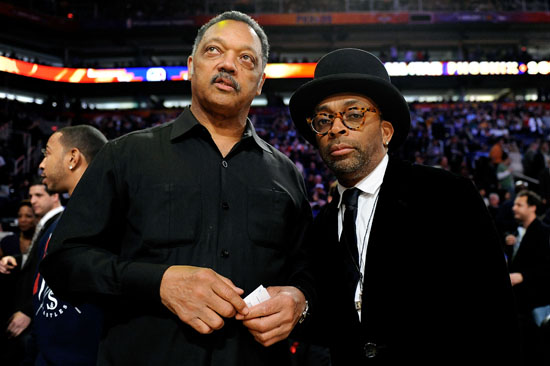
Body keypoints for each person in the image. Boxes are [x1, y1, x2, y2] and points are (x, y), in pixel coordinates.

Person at [40, 11, 313, 366]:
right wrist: (158, 283)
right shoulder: (124, 155)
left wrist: (300, 299)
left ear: (260, 81)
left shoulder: (287, 174)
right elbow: (63, 262)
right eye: (214, 51)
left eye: (246, 58)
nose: (229, 64)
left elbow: (308, 271)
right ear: (191, 65)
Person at [288, 48, 520, 365]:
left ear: (385, 132)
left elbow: (496, 314)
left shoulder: (446, 195)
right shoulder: (322, 227)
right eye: (323, 119)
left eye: (354, 115)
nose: (336, 128)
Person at [31, 125, 107, 366]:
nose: (41, 164)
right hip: (47, 354)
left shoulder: (108, 217)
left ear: (73, 158)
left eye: (48, 153)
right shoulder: (63, 221)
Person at [0, 181, 62, 365]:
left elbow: (51, 272)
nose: (33, 200)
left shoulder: (58, 224)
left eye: (39, 195)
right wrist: (17, 260)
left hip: (36, 313)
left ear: (55, 196)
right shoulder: (46, 223)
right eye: (31, 195)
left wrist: (28, 311)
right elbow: (36, 258)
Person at [504, 190, 550, 365]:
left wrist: (523, 276)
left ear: (533, 207)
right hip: (520, 305)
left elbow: (546, 267)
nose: (514, 208)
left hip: (534, 304)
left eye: (519, 205)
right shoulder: (516, 233)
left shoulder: (544, 232)